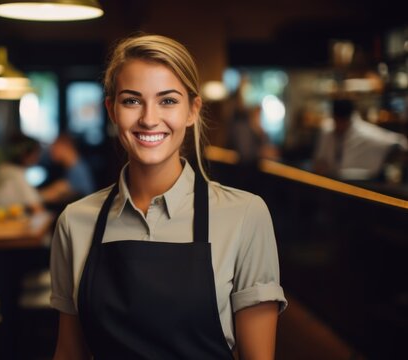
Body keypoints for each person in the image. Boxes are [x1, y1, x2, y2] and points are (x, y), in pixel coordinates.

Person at [50, 34, 287, 359]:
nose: (149, 118)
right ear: (112, 110)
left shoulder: (246, 214)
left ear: (192, 110)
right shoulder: (75, 221)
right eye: (132, 100)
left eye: (168, 100)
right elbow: (68, 353)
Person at [313, 98, 408, 180]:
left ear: (349, 118)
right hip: (330, 181)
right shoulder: (327, 129)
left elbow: (399, 142)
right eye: (336, 121)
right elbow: (320, 160)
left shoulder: (365, 132)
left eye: (342, 121)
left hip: (359, 182)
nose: (339, 125)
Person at [0, 133, 44, 214]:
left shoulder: (1, 170)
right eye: (36, 152)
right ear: (24, 154)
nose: (38, 156)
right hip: (7, 222)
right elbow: (37, 208)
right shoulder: (16, 174)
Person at [39, 133, 95, 204]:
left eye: (54, 147)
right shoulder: (73, 167)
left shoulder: (77, 169)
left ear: (64, 146)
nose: (51, 151)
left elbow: (58, 191)